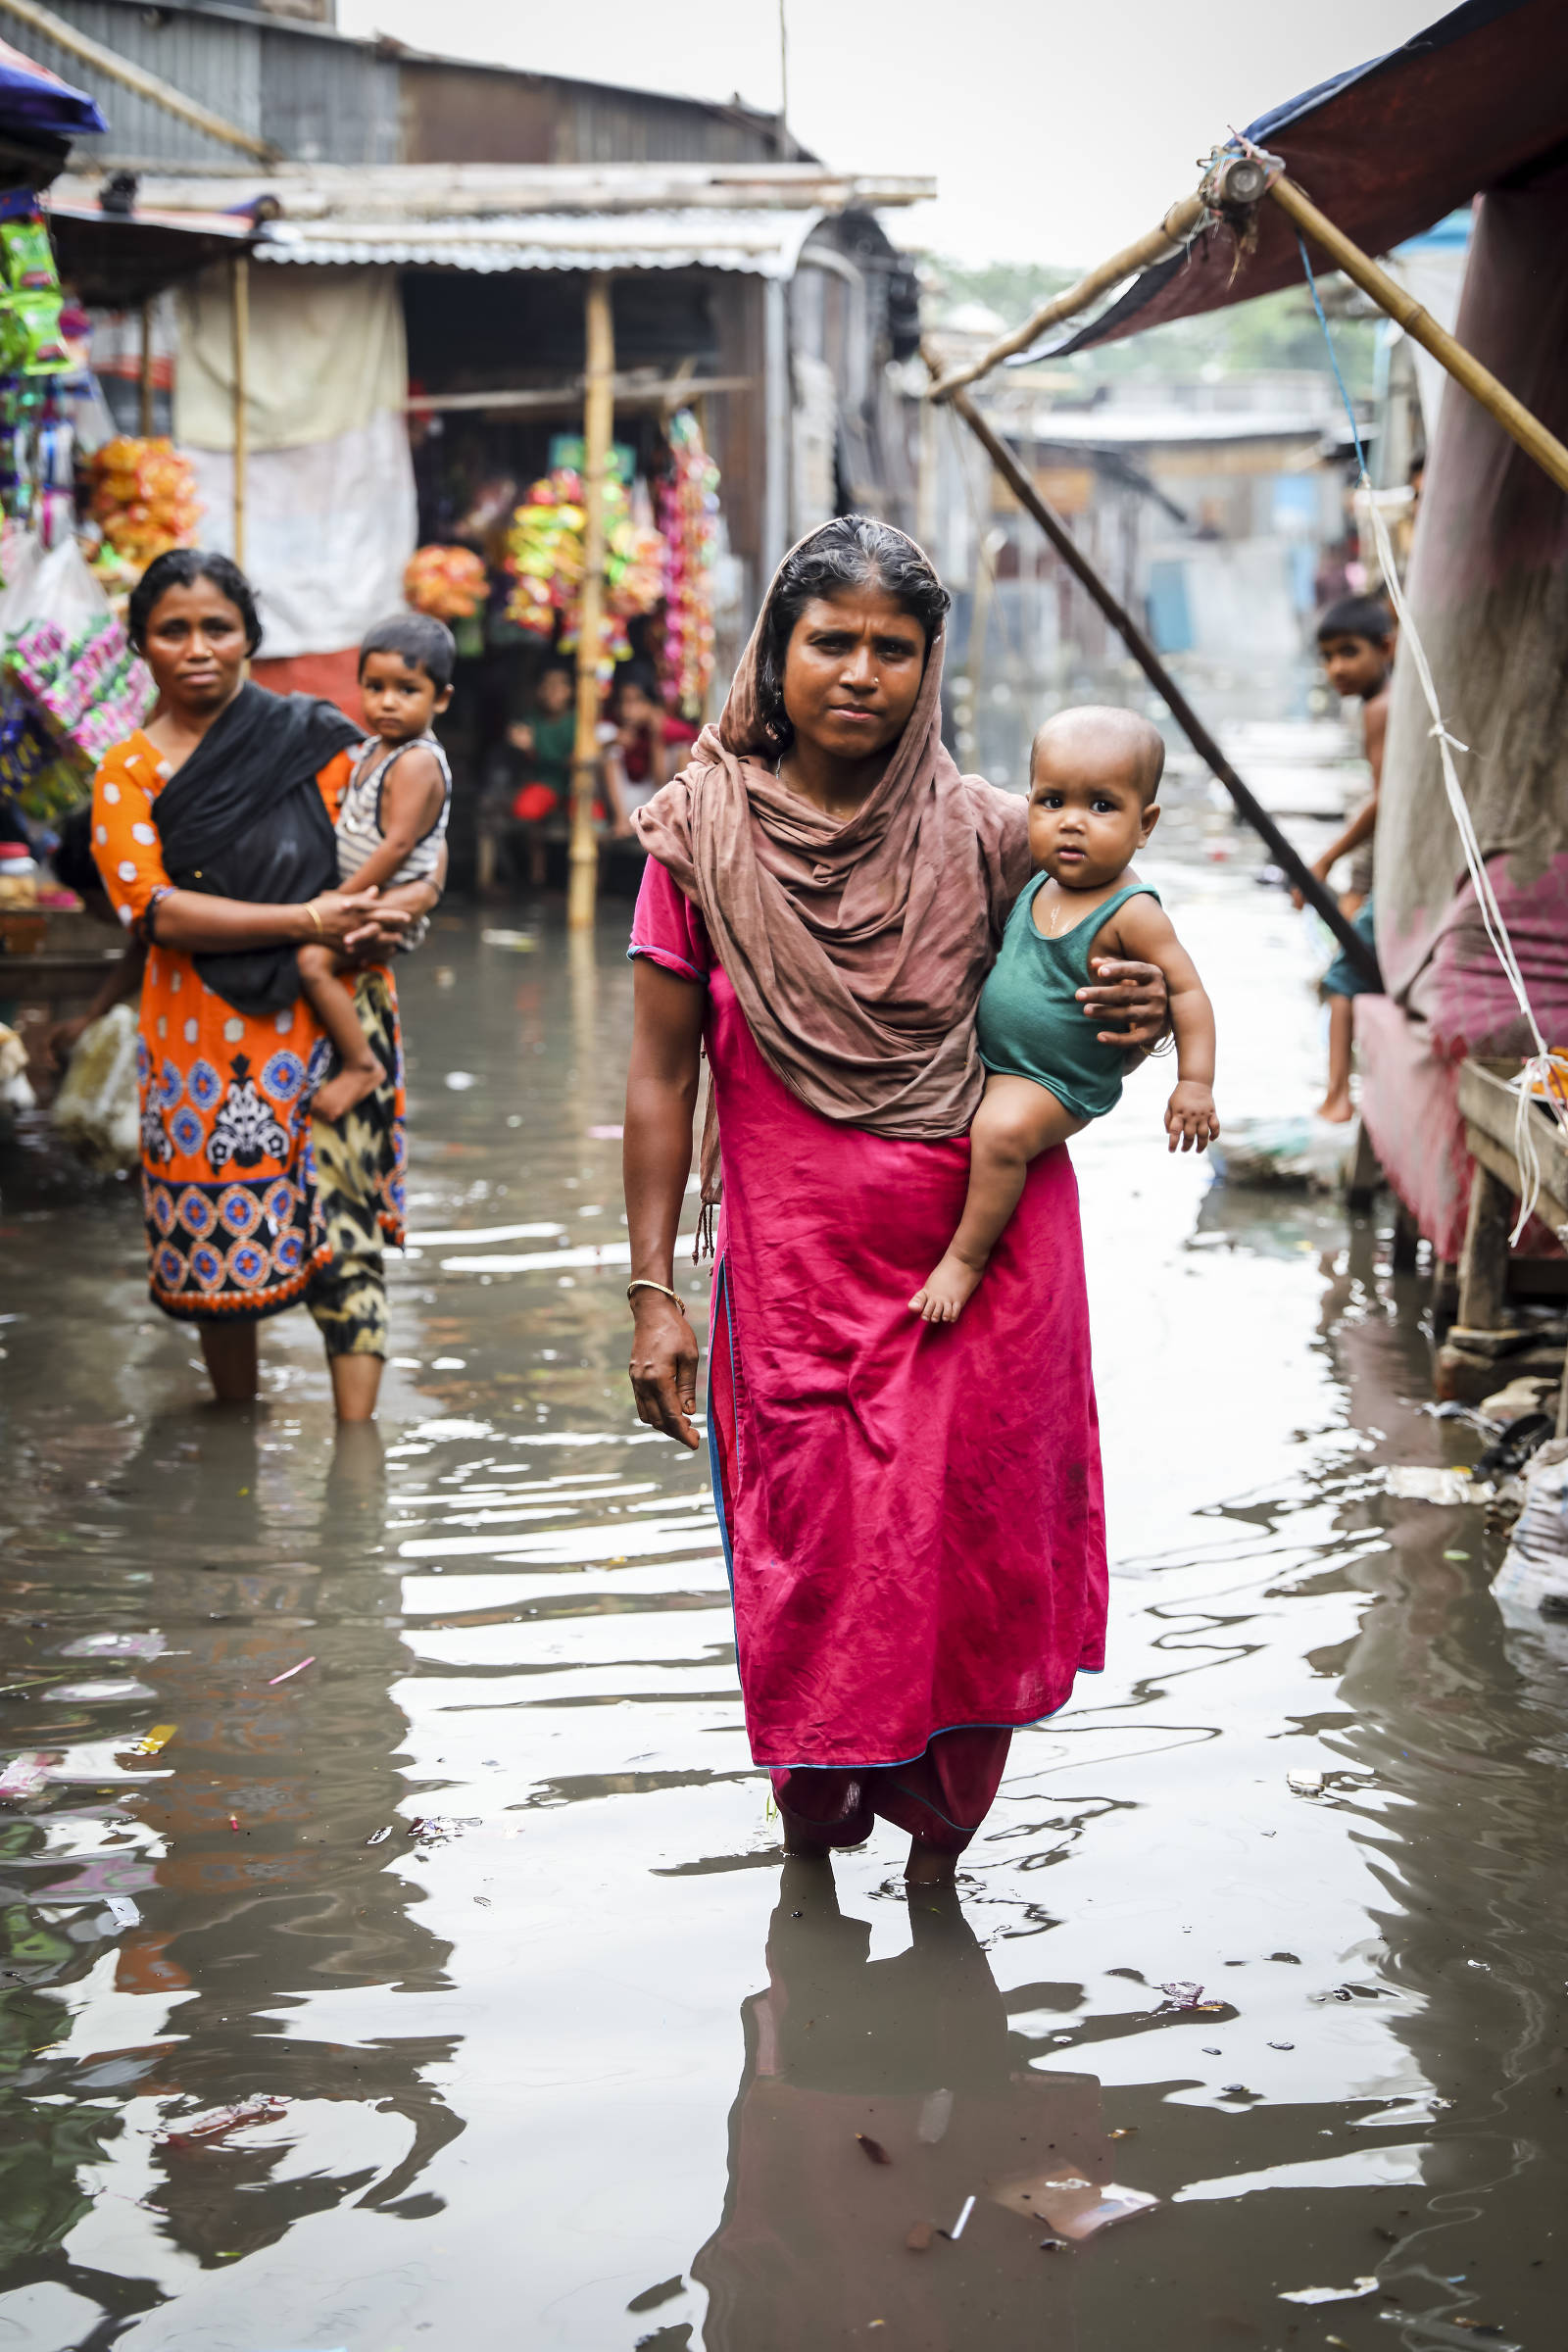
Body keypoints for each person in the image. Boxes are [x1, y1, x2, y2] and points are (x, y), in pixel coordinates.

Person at [623, 516, 1170, 1885]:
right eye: (833, 642)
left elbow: (1107, 985)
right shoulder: (697, 834)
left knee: (972, 1563)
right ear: (777, 651)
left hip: (986, 1274)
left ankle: (940, 1871)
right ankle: (811, 1844)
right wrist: (651, 1292)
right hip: (797, 1276)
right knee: (809, 1563)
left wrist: (1148, 1012)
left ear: (931, 670)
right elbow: (655, 1077)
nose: (861, 673)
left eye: (895, 649)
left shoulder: (1004, 839)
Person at [91, 548, 442, 1420]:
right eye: (174, 630)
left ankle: (358, 1468)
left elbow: (396, 840)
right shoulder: (127, 774)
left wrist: (405, 906)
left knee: (346, 1240)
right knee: (218, 1247)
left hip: (334, 1025)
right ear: (141, 645)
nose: (199, 646)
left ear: (251, 637)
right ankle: (237, 1420)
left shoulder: (318, 741)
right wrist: (306, 923)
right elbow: (156, 911)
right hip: (200, 1039)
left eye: (219, 627)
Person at [909, 707, 1218, 1324]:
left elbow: (1187, 994)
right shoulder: (1039, 880)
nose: (1071, 824)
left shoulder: (1132, 911)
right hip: (1001, 1062)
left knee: (998, 1136)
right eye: (1052, 802)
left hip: (1056, 1082)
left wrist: (1195, 1082)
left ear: (1145, 823)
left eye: (1101, 807)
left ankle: (966, 1258)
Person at [297, 612, 453, 1123]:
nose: (387, 702)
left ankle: (363, 1066)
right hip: (368, 892)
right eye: (375, 687)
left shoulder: (416, 761)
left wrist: (342, 900)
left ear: (440, 700)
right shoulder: (370, 750)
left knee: (311, 963)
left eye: (407, 690)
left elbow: (399, 844)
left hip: (386, 896)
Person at [1293, 593, 1394, 1122]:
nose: (1336, 668)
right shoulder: (1387, 702)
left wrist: (1325, 859)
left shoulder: (1382, 708)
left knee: (1341, 979)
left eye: (1349, 653)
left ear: (1387, 646)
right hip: (1383, 862)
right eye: (1328, 657)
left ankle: (1336, 1098)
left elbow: (1385, 799)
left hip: (1393, 863)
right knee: (1350, 958)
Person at [601, 661, 699, 825]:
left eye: (636, 701)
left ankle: (679, 822)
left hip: (656, 800)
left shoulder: (662, 727)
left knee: (681, 749)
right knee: (609, 749)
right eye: (624, 702)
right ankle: (621, 822)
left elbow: (659, 779)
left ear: (650, 703)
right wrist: (614, 741)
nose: (628, 710)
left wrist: (656, 736)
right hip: (626, 802)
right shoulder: (613, 727)